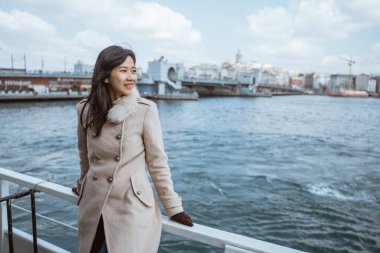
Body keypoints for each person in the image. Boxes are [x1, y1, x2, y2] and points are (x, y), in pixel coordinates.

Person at [72, 45, 193, 253]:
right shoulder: (84, 109)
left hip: (129, 205)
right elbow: (85, 155)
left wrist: (173, 207)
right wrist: (82, 183)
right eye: (123, 70)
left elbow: (157, 162)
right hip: (94, 201)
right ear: (106, 76)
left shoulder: (144, 110)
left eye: (134, 70)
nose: (131, 77)